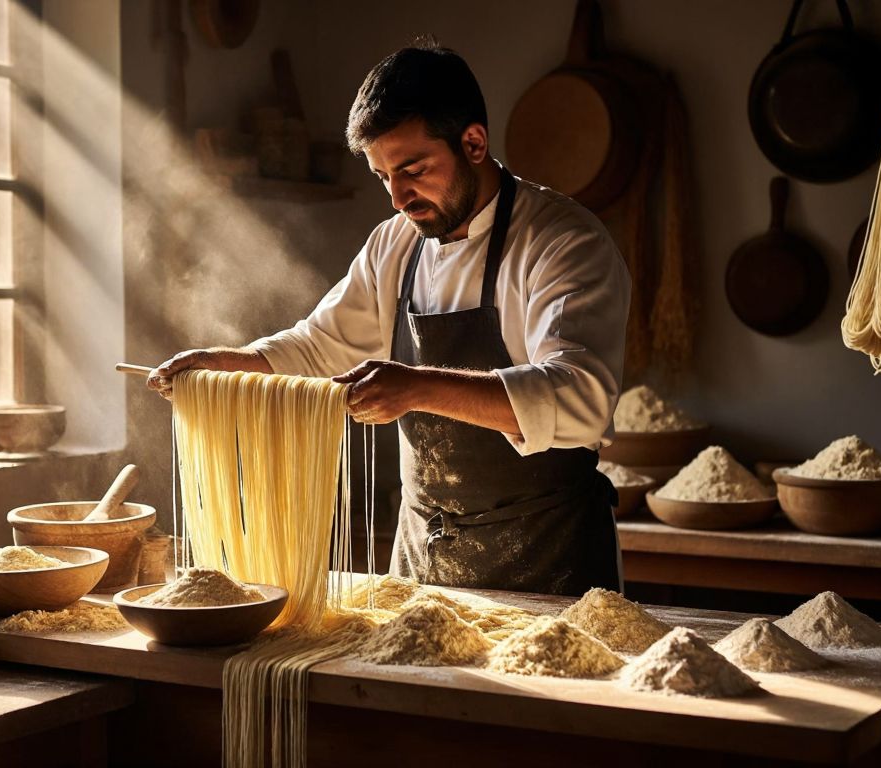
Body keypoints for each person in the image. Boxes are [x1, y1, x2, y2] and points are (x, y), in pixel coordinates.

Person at [149, 40, 630, 596]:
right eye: (382, 177)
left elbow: (582, 398)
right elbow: (316, 347)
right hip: (424, 562)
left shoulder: (561, 243)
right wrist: (228, 365)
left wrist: (416, 387)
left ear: (473, 142)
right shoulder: (395, 245)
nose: (399, 197)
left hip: (551, 563)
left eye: (414, 170)